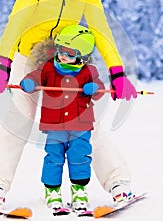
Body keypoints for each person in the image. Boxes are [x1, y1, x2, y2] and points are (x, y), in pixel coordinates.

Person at [0, 0, 137, 207]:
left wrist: (118, 72)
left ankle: (118, 183)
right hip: (28, 57)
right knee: (19, 118)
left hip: (65, 61)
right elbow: (17, 20)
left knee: (87, 124)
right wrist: (1, 63)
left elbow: (101, 28)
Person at [20, 25, 105, 211]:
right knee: (54, 157)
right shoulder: (49, 67)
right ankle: (52, 191)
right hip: (54, 125)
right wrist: (29, 82)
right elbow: (35, 77)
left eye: (69, 52)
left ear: (82, 56)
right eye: (60, 49)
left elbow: (99, 89)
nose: (62, 55)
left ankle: (79, 190)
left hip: (80, 125)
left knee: (80, 156)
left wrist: (95, 89)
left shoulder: (89, 72)